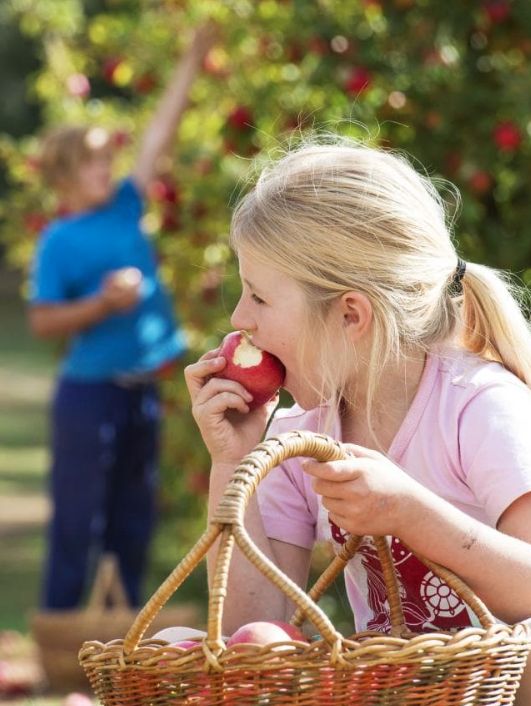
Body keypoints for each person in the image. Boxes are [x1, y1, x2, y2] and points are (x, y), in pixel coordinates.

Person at [185, 138, 531, 702]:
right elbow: (256, 629)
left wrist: (409, 513)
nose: (238, 318)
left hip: (490, 686)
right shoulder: (305, 435)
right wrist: (234, 461)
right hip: (392, 690)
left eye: (259, 298)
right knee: (188, 642)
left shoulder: (479, 406)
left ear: (350, 314)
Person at [29, 22, 217, 609]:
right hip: (89, 395)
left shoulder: (126, 205)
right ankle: (58, 640)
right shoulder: (59, 241)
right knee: (77, 524)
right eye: (91, 166)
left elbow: (159, 131)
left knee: (132, 525)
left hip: (141, 393)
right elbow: (42, 322)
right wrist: (101, 305)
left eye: (105, 162)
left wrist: (192, 55)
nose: (105, 172)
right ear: (63, 177)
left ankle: (123, 646)